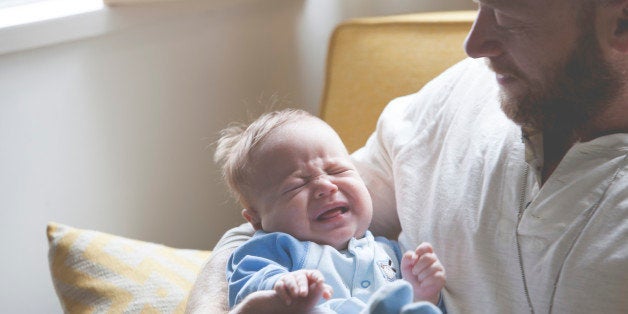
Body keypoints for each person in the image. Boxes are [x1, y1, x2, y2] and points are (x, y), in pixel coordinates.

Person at [187, 0, 628, 313]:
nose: (474, 45)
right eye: (479, 5)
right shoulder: (463, 90)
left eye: (508, 16)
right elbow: (263, 230)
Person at [214, 109, 446, 314]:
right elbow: (246, 283)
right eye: (296, 185)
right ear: (256, 220)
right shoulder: (274, 250)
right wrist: (281, 287)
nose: (325, 186)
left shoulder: (391, 253)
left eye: (336, 170)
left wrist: (422, 293)